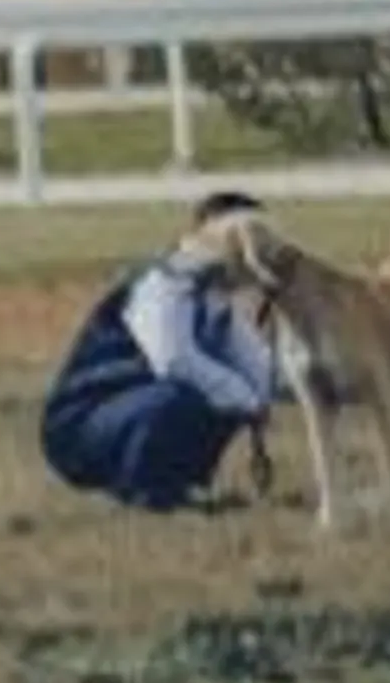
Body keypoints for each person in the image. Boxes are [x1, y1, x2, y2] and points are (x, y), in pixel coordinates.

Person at [41, 190, 281, 510]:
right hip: (81, 426)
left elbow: (261, 370)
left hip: (133, 407)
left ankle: (182, 486)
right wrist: (245, 397)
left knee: (225, 393)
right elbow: (173, 359)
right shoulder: (161, 284)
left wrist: (341, 381)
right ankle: (146, 491)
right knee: (193, 394)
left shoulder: (212, 298)